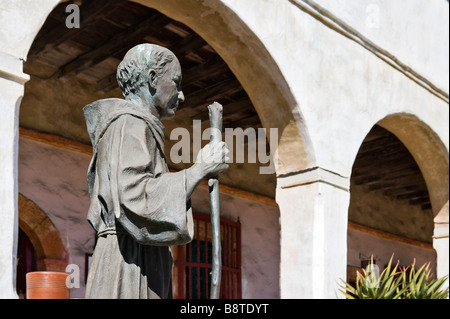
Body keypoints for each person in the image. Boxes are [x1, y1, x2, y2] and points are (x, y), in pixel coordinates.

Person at [83, 43, 229, 298]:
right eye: (176, 82)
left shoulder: (136, 126)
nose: (181, 95)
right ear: (152, 79)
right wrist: (200, 170)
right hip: (130, 264)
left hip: (139, 257)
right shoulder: (129, 123)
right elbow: (135, 196)